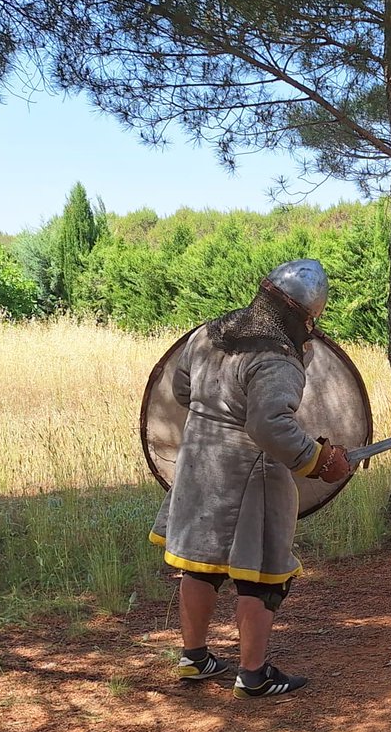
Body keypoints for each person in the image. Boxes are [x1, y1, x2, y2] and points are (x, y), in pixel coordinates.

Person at [148, 258, 351, 698]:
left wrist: (218, 409)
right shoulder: (277, 358)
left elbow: (182, 391)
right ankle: (254, 674)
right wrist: (318, 460)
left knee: (200, 566)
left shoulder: (210, 332)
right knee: (260, 575)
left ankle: (195, 658)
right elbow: (269, 427)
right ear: (307, 314)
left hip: (197, 464)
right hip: (249, 475)